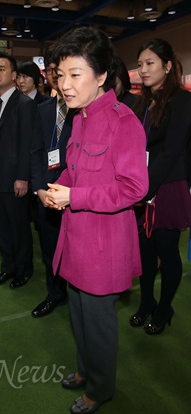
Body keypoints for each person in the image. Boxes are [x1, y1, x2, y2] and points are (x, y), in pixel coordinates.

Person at [46, 27, 148, 413]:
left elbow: (134, 188)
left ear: (101, 76)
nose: (65, 85)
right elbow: (75, 168)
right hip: (75, 236)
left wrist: (76, 197)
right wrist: (57, 188)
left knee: (99, 324)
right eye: (60, 75)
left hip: (103, 243)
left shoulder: (124, 122)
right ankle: (86, 369)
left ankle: (101, 389)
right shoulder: (80, 117)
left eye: (75, 74)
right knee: (79, 315)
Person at [130, 38, 191, 335]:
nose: (143, 69)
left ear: (168, 66)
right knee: (143, 251)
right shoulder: (141, 101)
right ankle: (146, 302)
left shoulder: (182, 99)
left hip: (166, 185)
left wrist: (147, 188)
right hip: (141, 186)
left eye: (150, 63)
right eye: (140, 64)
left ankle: (165, 307)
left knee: (167, 253)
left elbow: (171, 151)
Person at [0, 52, 36, 289]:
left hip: (15, 178)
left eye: (1, 68)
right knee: (2, 228)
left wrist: (23, 177)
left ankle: (24, 270)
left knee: (18, 228)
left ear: (14, 75)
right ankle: (7, 267)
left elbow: (27, 144)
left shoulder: (24, 104)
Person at [30, 45, 75, 318]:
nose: (56, 76)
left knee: (76, 250)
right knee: (49, 248)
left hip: (74, 193)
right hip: (46, 192)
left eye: (61, 71)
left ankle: (79, 295)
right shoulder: (43, 109)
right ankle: (55, 293)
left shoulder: (82, 108)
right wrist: (38, 189)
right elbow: (35, 151)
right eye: (51, 72)